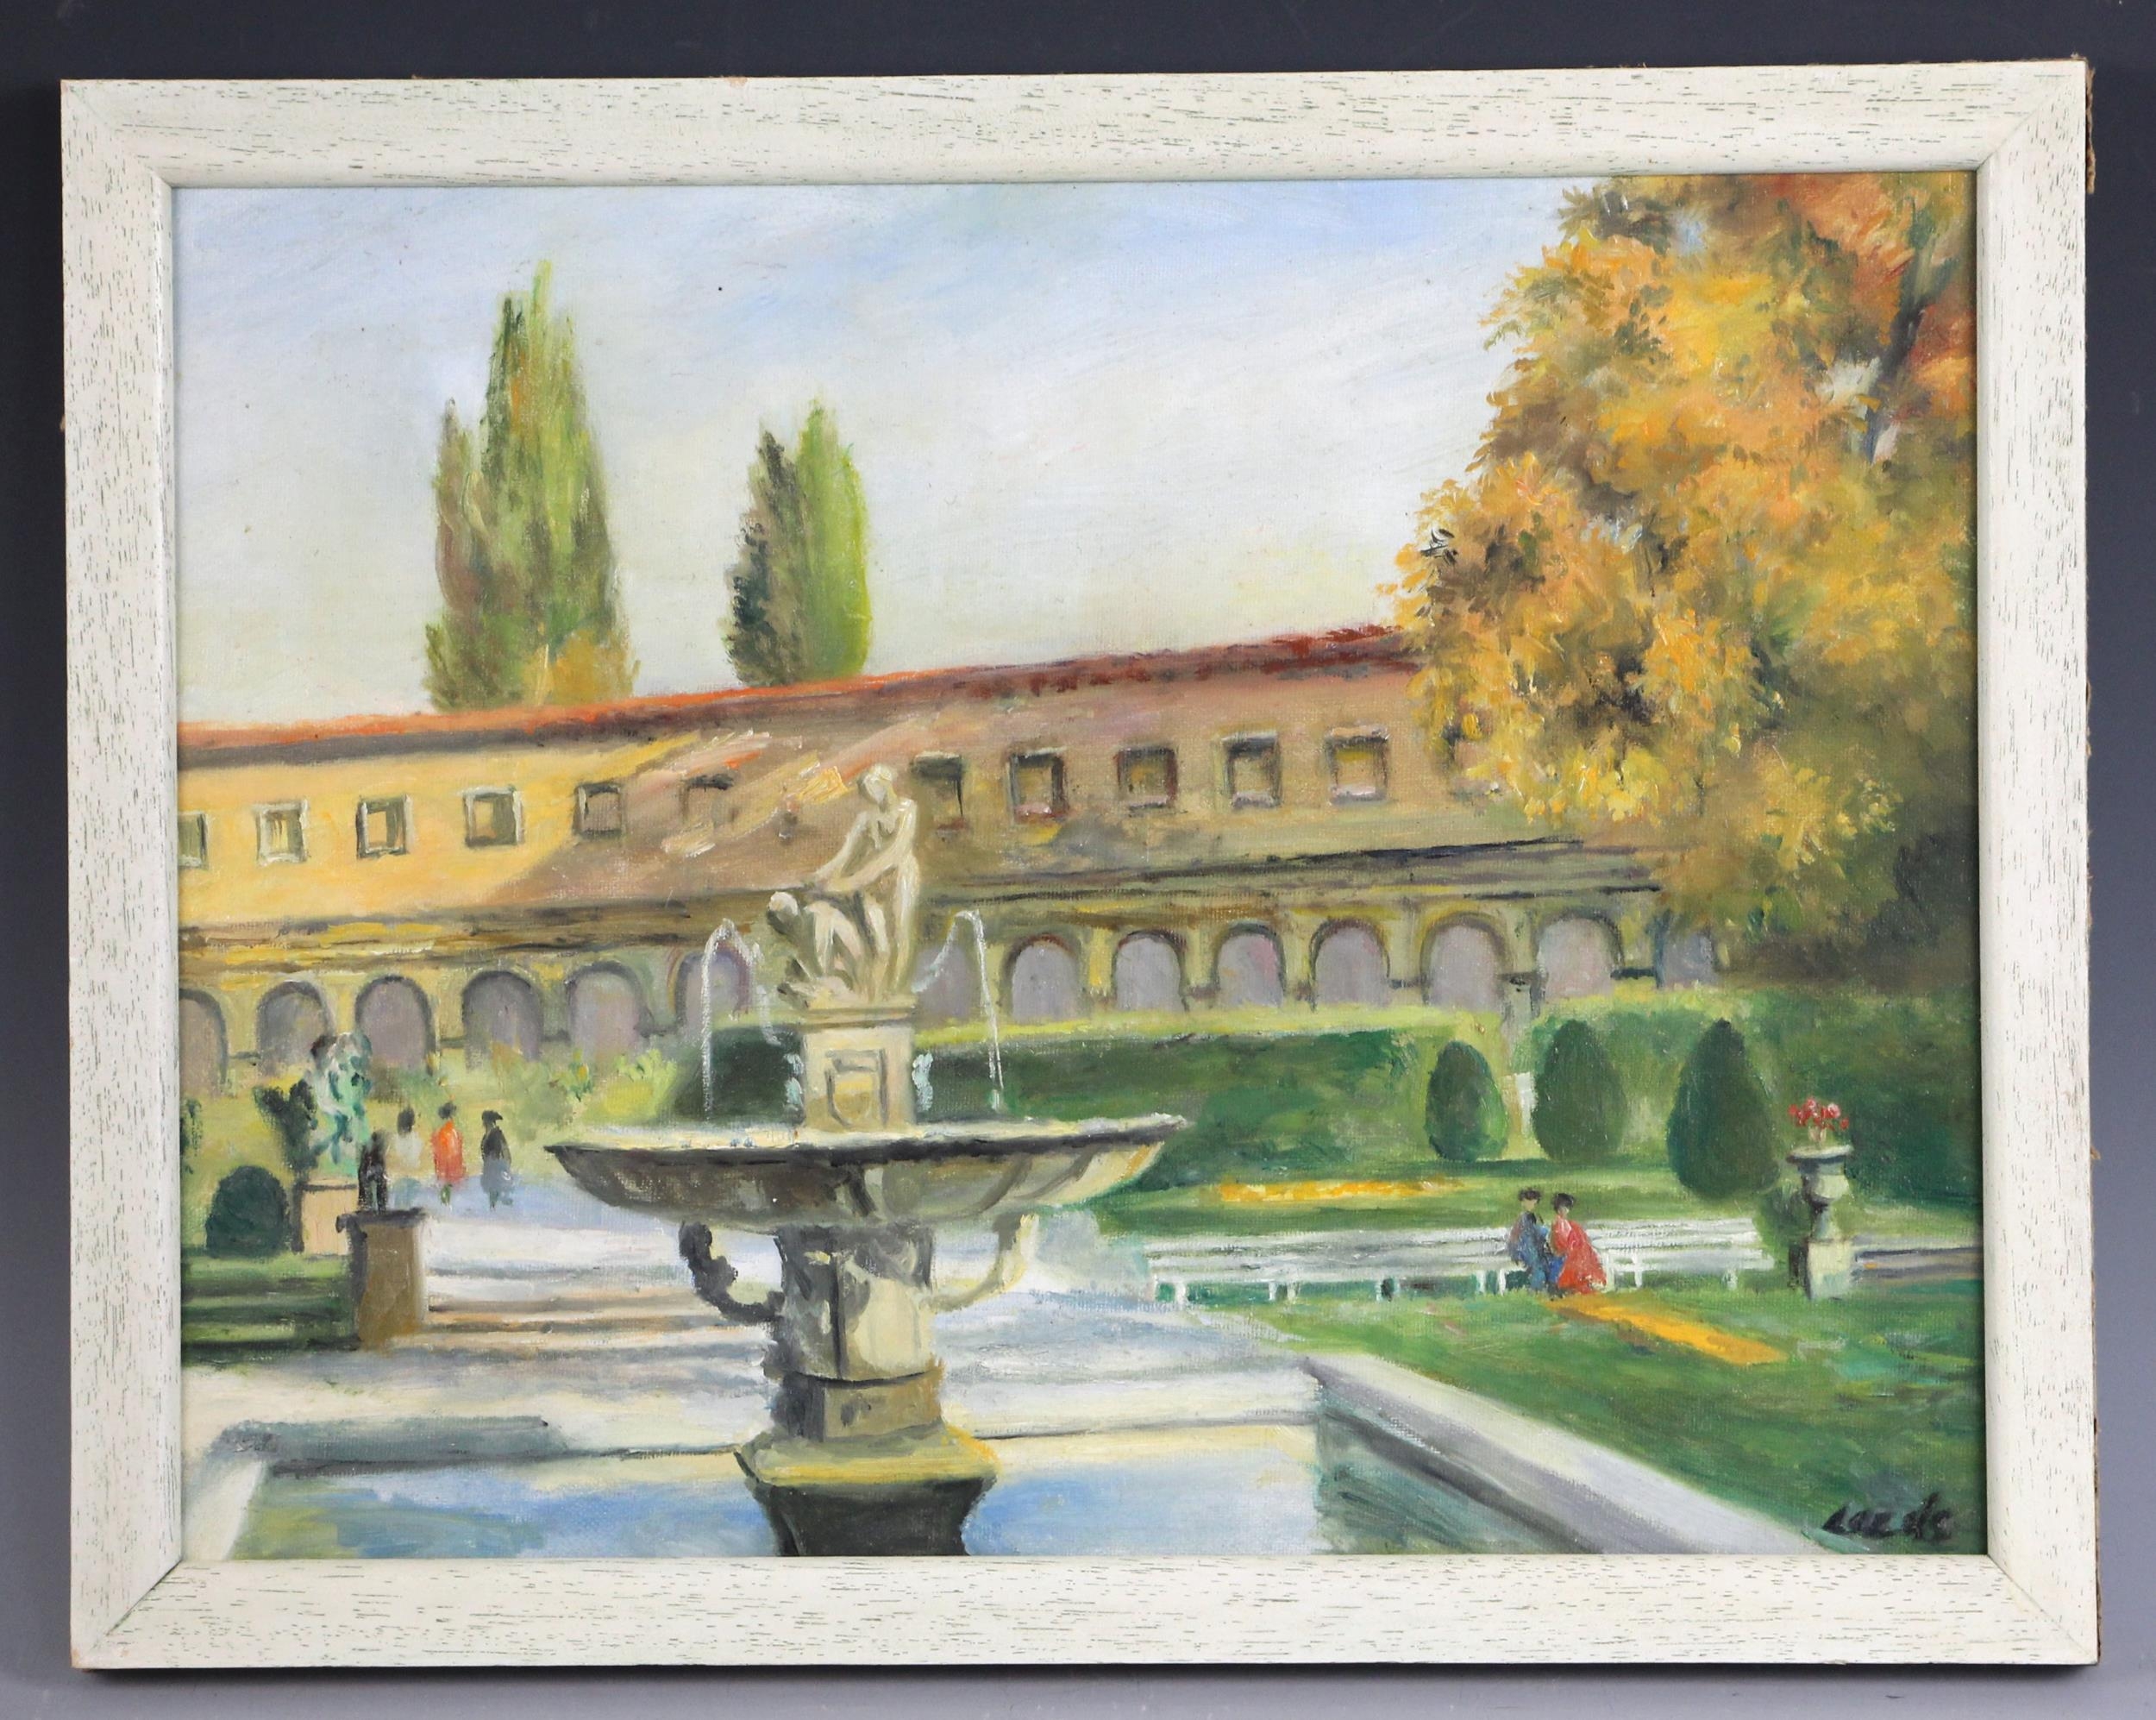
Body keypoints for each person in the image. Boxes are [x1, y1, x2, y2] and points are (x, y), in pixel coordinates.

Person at [1504, 1186, 1561, 1293]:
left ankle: (1552, 1288)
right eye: (1528, 1201)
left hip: (1538, 1248)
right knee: (1539, 1269)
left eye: (1533, 1202)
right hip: (1526, 1250)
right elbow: (1517, 1238)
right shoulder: (1522, 1219)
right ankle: (1536, 1290)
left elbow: (1543, 1233)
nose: (1531, 1204)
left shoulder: (1536, 1217)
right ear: (1523, 1203)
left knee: (1553, 1262)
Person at [1550, 1192, 1608, 1295]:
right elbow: (1559, 1244)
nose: (1566, 1210)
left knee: (1585, 1251)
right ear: (1558, 1208)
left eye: (1567, 1208)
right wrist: (1573, 1245)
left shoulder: (1570, 1224)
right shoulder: (1558, 1223)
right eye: (1563, 1207)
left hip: (1575, 1252)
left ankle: (1591, 1279)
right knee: (1580, 1255)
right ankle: (1585, 1280)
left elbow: (1578, 1239)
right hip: (1567, 1253)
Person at [385, 1105, 429, 1208]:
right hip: (415, 1180)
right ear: (412, 1123)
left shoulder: (394, 1140)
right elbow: (422, 1163)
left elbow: (390, 1163)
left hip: (399, 1180)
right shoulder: (417, 1140)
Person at [430, 1102, 466, 1205]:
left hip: (444, 1174)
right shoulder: (456, 1134)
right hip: (455, 1174)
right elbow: (458, 1156)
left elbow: (437, 1157)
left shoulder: (437, 1134)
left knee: (445, 1198)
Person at [479, 1109, 515, 1209]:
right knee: (493, 1195)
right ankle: (495, 1209)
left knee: (497, 1194)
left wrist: (505, 1168)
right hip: (491, 1171)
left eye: (485, 1122)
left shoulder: (497, 1135)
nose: (484, 1124)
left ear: (488, 1123)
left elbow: (505, 1153)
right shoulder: (486, 1136)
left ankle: (501, 1207)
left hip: (497, 1170)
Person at [356, 1130, 389, 1213]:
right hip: (369, 1170)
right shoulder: (370, 1151)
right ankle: (376, 1207)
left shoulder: (372, 1151)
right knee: (374, 1189)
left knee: (378, 1186)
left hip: (370, 1170)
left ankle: (375, 1206)